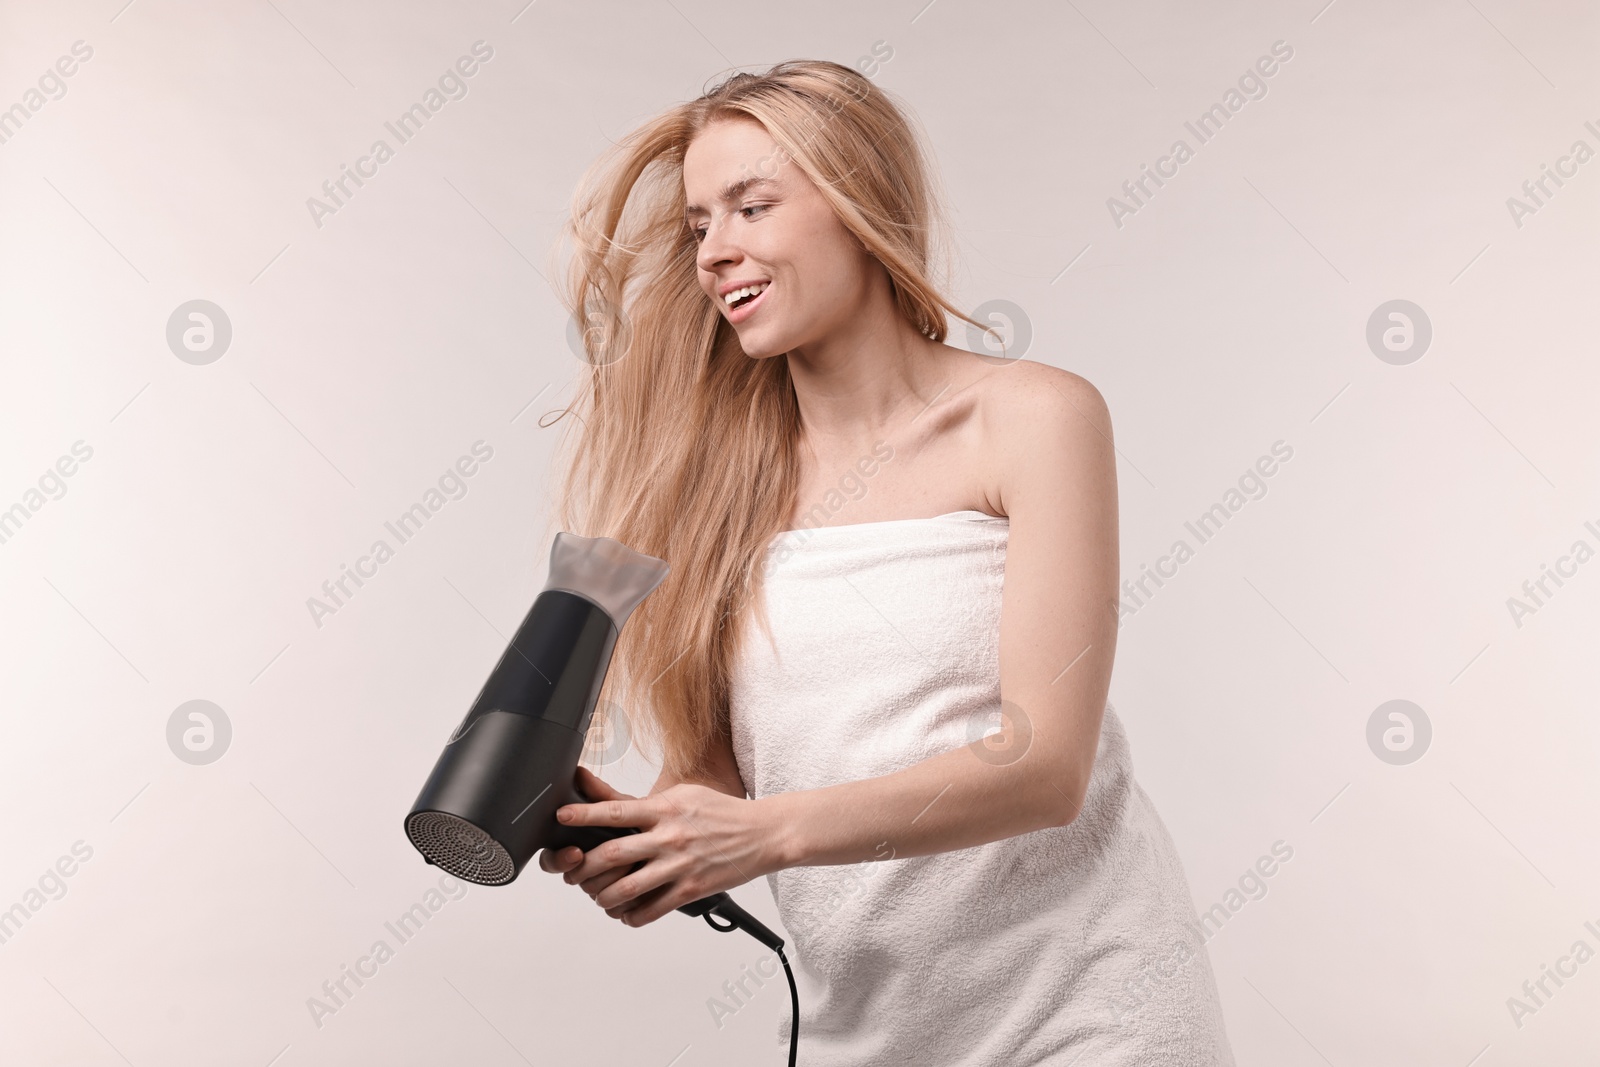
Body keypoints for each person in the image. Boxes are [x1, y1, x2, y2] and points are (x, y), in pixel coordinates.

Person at [535, 59, 1235, 1066]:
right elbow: (723, 778)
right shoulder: (721, 491)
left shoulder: (1029, 419)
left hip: (1088, 1011)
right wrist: (655, 840)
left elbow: (1043, 765)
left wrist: (764, 834)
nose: (715, 251)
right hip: (862, 1029)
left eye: (751, 206)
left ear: (858, 203)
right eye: (698, 225)